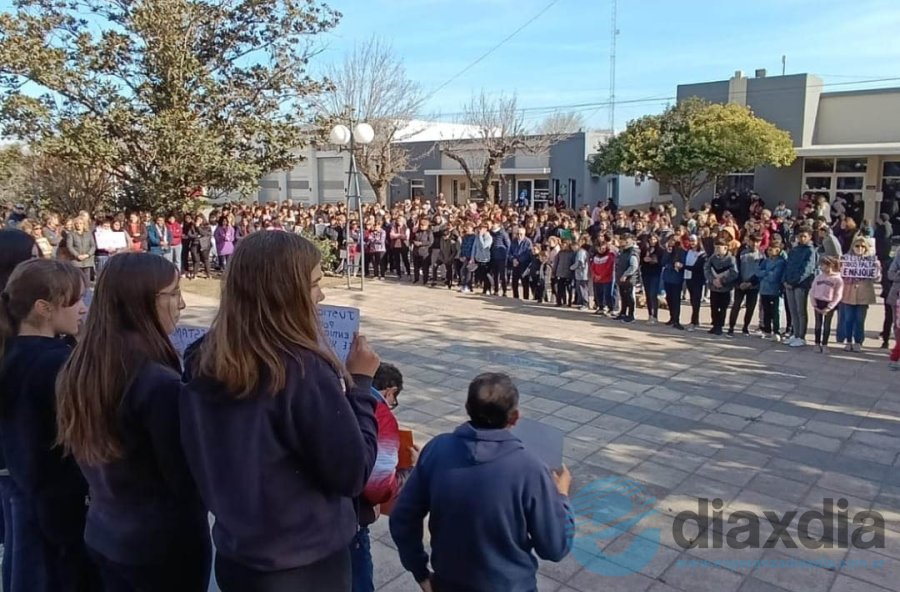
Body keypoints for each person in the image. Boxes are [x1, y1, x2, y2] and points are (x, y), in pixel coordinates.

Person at [180, 231, 378, 592]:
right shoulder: (300, 369)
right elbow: (352, 471)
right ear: (285, 290)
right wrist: (361, 386)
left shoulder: (202, 355)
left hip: (238, 554)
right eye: (315, 283)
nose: (322, 294)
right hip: (304, 564)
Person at [56, 253, 212, 591]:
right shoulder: (156, 383)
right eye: (173, 293)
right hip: (159, 548)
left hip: (106, 532)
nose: (182, 304)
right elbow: (186, 479)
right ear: (140, 301)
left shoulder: (81, 366)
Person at [390, 373, 573, 592]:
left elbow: (402, 517)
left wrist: (420, 571)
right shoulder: (530, 468)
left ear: (467, 406)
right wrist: (561, 497)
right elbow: (555, 547)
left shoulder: (437, 450)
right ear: (514, 417)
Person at [0, 259, 95, 592]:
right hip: (60, 502)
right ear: (44, 308)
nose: (84, 308)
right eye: (76, 301)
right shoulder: (57, 364)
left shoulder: (12, 351)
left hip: (24, 487)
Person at [351, 363, 416, 592]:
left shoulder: (340, 395)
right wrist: (409, 472)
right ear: (390, 391)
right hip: (353, 517)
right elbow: (378, 487)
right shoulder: (380, 414)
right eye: (393, 398)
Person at [836, 238, 881, 352]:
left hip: (864, 294)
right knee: (848, 319)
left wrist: (876, 269)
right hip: (848, 292)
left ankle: (858, 341)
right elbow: (840, 275)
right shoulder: (846, 259)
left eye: (862, 246)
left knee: (860, 320)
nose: (859, 248)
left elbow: (877, 278)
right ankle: (849, 341)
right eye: (857, 246)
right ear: (853, 247)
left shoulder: (871, 261)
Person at [782, 227, 818, 347]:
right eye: (800, 236)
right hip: (789, 283)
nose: (802, 239)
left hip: (800, 284)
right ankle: (795, 333)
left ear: (809, 237)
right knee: (792, 310)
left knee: (800, 310)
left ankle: (801, 336)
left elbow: (807, 269)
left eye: (804, 236)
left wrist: (795, 281)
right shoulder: (794, 250)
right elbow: (787, 265)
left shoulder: (810, 251)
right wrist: (785, 280)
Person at [727, 234, 763, 336]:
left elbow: (761, 271)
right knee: (736, 305)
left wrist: (751, 282)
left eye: (757, 242)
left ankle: (745, 327)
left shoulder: (761, 256)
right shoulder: (741, 253)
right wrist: (739, 282)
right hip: (740, 284)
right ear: (749, 241)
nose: (755, 244)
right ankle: (731, 327)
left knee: (750, 307)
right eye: (753, 241)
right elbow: (736, 267)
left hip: (753, 286)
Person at [704, 238, 739, 336]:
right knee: (714, 307)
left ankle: (720, 326)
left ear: (725, 248)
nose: (717, 250)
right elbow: (706, 268)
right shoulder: (712, 258)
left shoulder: (731, 259)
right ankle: (715, 324)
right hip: (714, 287)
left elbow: (734, 273)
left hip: (725, 289)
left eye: (719, 248)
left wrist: (723, 281)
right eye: (716, 248)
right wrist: (712, 280)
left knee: (723, 308)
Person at [810, 256, 843, 354]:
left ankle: (825, 344)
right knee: (818, 324)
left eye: (824, 265)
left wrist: (830, 307)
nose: (822, 267)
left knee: (827, 325)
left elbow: (838, 295)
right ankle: (817, 343)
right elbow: (812, 291)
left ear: (831, 266)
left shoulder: (837, 279)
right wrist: (814, 304)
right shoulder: (819, 277)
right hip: (818, 302)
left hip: (828, 304)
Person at [757, 243, 787, 341]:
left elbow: (775, 276)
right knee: (766, 311)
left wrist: (765, 274)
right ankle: (767, 330)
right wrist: (767, 273)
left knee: (775, 312)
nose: (770, 251)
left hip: (775, 290)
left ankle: (776, 331)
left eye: (772, 249)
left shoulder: (781, 262)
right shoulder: (765, 261)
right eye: (769, 250)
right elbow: (758, 272)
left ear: (778, 251)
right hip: (764, 289)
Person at [660, 237, 685, 330]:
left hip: (677, 278)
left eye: (673, 241)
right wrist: (668, 252)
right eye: (670, 240)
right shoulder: (668, 251)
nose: (671, 242)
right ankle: (671, 317)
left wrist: (679, 265)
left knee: (676, 299)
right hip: (667, 278)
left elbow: (684, 264)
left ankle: (676, 320)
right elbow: (662, 262)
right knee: (669, 298)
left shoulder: (682, 251)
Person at [614, 234, 639, 323]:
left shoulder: (633, 252)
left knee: (629, 297)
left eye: (625, 240)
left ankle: (631, 315)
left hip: (629, 279)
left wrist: (625, 275)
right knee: (623, 297)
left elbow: (633, 266)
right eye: (622, 240)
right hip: (621, 278)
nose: (623, 242)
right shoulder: (623, 251)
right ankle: (623, 313)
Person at [683, 235, 707, 331]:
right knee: (692, 301)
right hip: (688, 278)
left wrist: (683, 266)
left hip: (697, 280)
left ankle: (693, 322)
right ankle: (695, 320)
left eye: (693, 241)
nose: (692, 243)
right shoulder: (689, 251)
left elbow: (697, 268)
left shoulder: (702, 254)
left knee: (696, 301)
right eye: (690, 241)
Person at [639, 234, 663, 323]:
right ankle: (650, 314)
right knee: (648, 294)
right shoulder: (645, 249)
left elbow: (662, 262)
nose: (652, 241)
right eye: (650, 239)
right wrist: (644, 260)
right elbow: (640, 260)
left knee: (653, 294)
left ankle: (655, 315)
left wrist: (654, 261)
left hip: (655, 274)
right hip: (646, 273)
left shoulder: (660, 250)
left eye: (654, 239)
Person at [66, 217, 96, 285]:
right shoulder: (71, 234)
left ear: (84, 224)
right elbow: (69, 246)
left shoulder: (88, 233)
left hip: (87, 261)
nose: (78, 225)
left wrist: (88, 254)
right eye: (77, 223)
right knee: (77, 282)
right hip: (76, 261)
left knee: (86, 282)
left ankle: (87, 295)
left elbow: (93, 246)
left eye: (80, 223)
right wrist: (77, 255)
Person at [590, 241, 616, 316]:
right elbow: (592, 267)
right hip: (597, 279)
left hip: (607, 279)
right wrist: (595, 275)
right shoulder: (596, 257)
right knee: (599, 294)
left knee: (608, 294)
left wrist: (601, 276)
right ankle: (601, 307)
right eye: (599, 248)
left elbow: (608, 268)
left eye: (603, 248)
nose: (601, 250)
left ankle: (611, 308)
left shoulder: (610, 255)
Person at [508, 227, 533, 300]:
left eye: (521, 234)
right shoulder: (514, 241)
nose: (519, 236)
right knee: (514, 282)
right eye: (518, 234)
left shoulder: (528, 242)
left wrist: (519, 260)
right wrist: (513, 259)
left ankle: (526, 298)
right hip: (515, 264)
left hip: (524, 265)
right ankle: (515, 297)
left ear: (524, 234)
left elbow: (528, 253)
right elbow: (510, 252)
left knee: (525, 283)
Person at [489, 222, 511, 297]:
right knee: (495, 275)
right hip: (494, 257)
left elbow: (508, 245)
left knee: (502, 275)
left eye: (494, 224)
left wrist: (506, 256)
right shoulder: (491, 233)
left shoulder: (503, 233)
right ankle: (496, 290)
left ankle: (504, 291)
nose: (493, 225)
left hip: (502, 257)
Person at [571, 237, 591, 310]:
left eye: (573, 247)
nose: (572, 248)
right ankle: (582, 303)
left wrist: (572, 267)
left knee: (583, 289)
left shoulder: (581, 252)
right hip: (580, 274)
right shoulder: (581, 252)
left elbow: (580, 263)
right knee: (580, 289)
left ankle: (585, 304)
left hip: (582, 274)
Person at [411, 218, 434, 285]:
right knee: (416, 267)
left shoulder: (429, 232)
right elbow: (411, 239)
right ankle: (416, 279)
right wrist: (414, 242)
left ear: (427, 226)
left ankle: (425, 280)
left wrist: (421, 243)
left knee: (425, 268)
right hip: (416, 251)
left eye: (423, 225)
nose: (421, 226)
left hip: (425, 252)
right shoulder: (417, 231)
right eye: (420, 225)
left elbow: (431, 242)